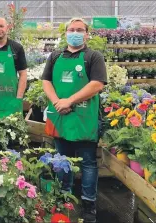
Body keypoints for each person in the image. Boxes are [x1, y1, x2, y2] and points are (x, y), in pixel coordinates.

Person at [42, 18, 107, 223]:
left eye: (80, 30)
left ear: (87, 34)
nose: (75, 32)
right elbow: (46, 81)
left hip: (84, 117)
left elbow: (97, 84)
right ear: (66, 33)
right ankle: (63, 198)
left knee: (88, 162)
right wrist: (57, 102)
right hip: (61, 116)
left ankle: (89, 203)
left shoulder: (93, 57)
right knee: (63, 160)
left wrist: (69, 100)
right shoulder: (55, 56)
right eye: (72, 29)